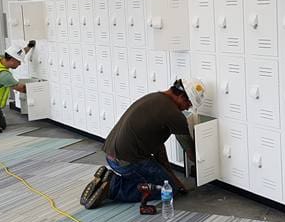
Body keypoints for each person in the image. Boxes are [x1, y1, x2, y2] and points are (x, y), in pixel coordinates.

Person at [80, 78, 206, 209]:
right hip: (127, 162)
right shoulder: (175, 115)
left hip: (112, 157)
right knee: (168, 189)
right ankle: (113, 186)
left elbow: (158, 148)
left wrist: (171, 175)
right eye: (189, 103)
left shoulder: (153, 98)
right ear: (180, 95)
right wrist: (206, 163)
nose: (188, 107)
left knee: (164, 180)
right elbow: (191, 154)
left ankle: (107, 177)